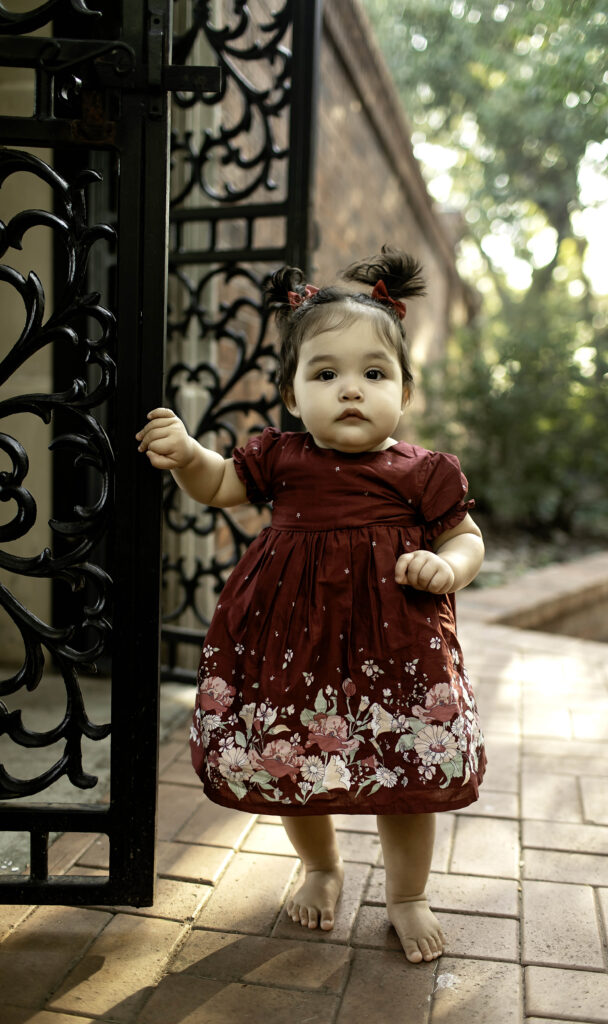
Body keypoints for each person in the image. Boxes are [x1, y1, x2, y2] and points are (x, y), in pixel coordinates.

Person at [136, 246, 486, 964]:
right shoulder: (282, 456)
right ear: (293, 395)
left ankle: (406, 895)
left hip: (395, 652)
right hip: (291, 642)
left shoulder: (423, 473)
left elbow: (467, 538)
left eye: (372, 373)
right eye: (325, 374)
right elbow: (219, 486)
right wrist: (187, 455)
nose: (349, 389)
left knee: (403, 774)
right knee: (300, 763)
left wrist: (445, 567)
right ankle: (320, 867)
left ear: (404, 391)